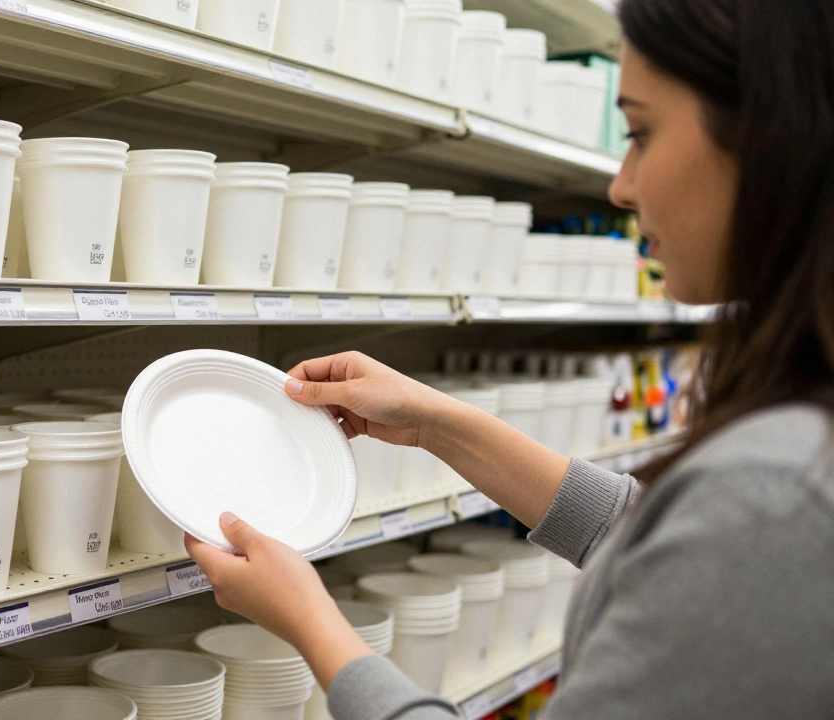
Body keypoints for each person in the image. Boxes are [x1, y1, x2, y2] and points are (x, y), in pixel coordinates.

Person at [185, 0, 834, 717]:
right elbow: (667, 543)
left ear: (773, 138)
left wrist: (311, 623)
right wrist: (436, 423)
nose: (621, 186)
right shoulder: (790, 467)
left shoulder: (781, 492)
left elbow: (734, 533)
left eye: (642, 133)